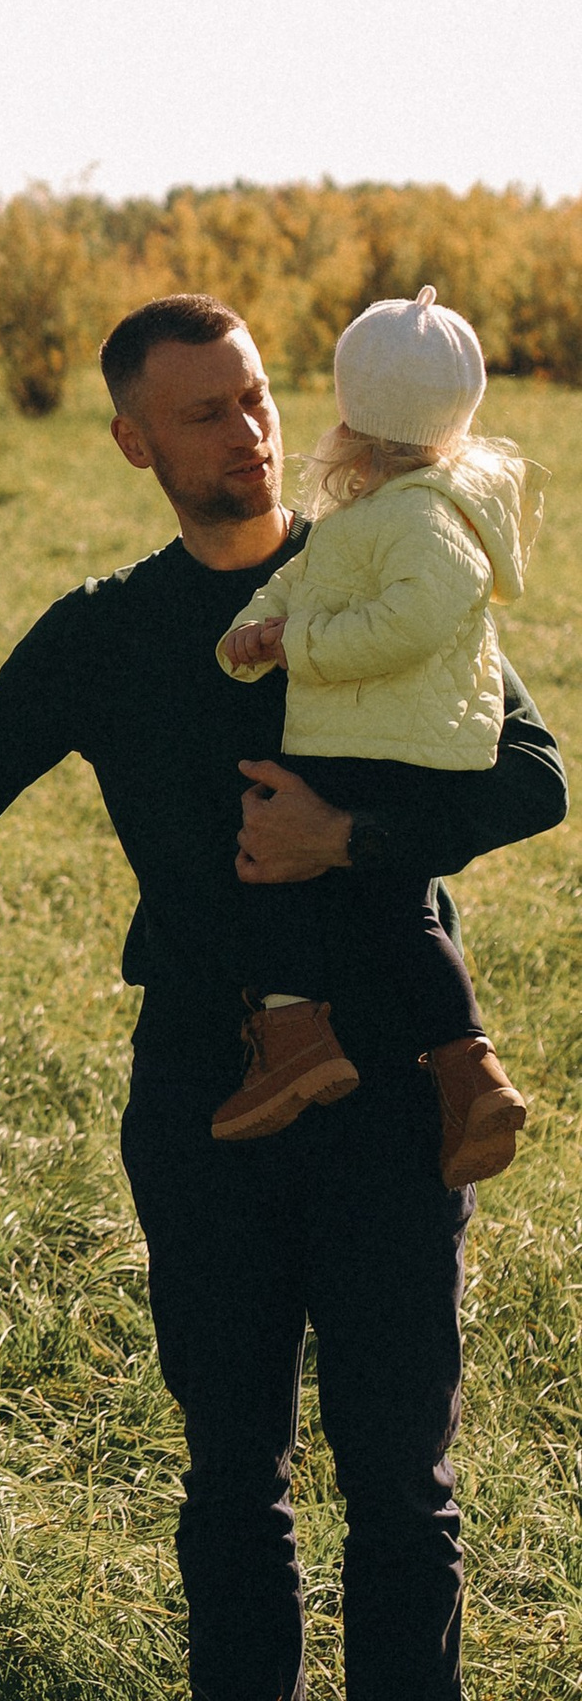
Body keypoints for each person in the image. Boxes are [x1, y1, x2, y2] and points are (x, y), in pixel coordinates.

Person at [0, 293, 566, 1701]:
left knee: (398, 1473)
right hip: (203, 1086)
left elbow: (535, 775)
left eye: (257, 397)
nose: (250, 431)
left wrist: (351, 836)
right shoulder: (100, 636)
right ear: (133, 441)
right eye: (205, 412)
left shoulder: (376, 564)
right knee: (232, 1465)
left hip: (392, 1077)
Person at [210, 287, 532, 1184]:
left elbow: (409, 623)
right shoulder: (380, 508)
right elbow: (304, 580)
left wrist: (298, 646)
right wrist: (253, 630)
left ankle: (301, 1037)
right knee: (391, 910)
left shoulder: (426, 515)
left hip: (386, 744)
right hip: (384, 736)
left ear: (352, 418)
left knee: (283, 870)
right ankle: (459, 1071)